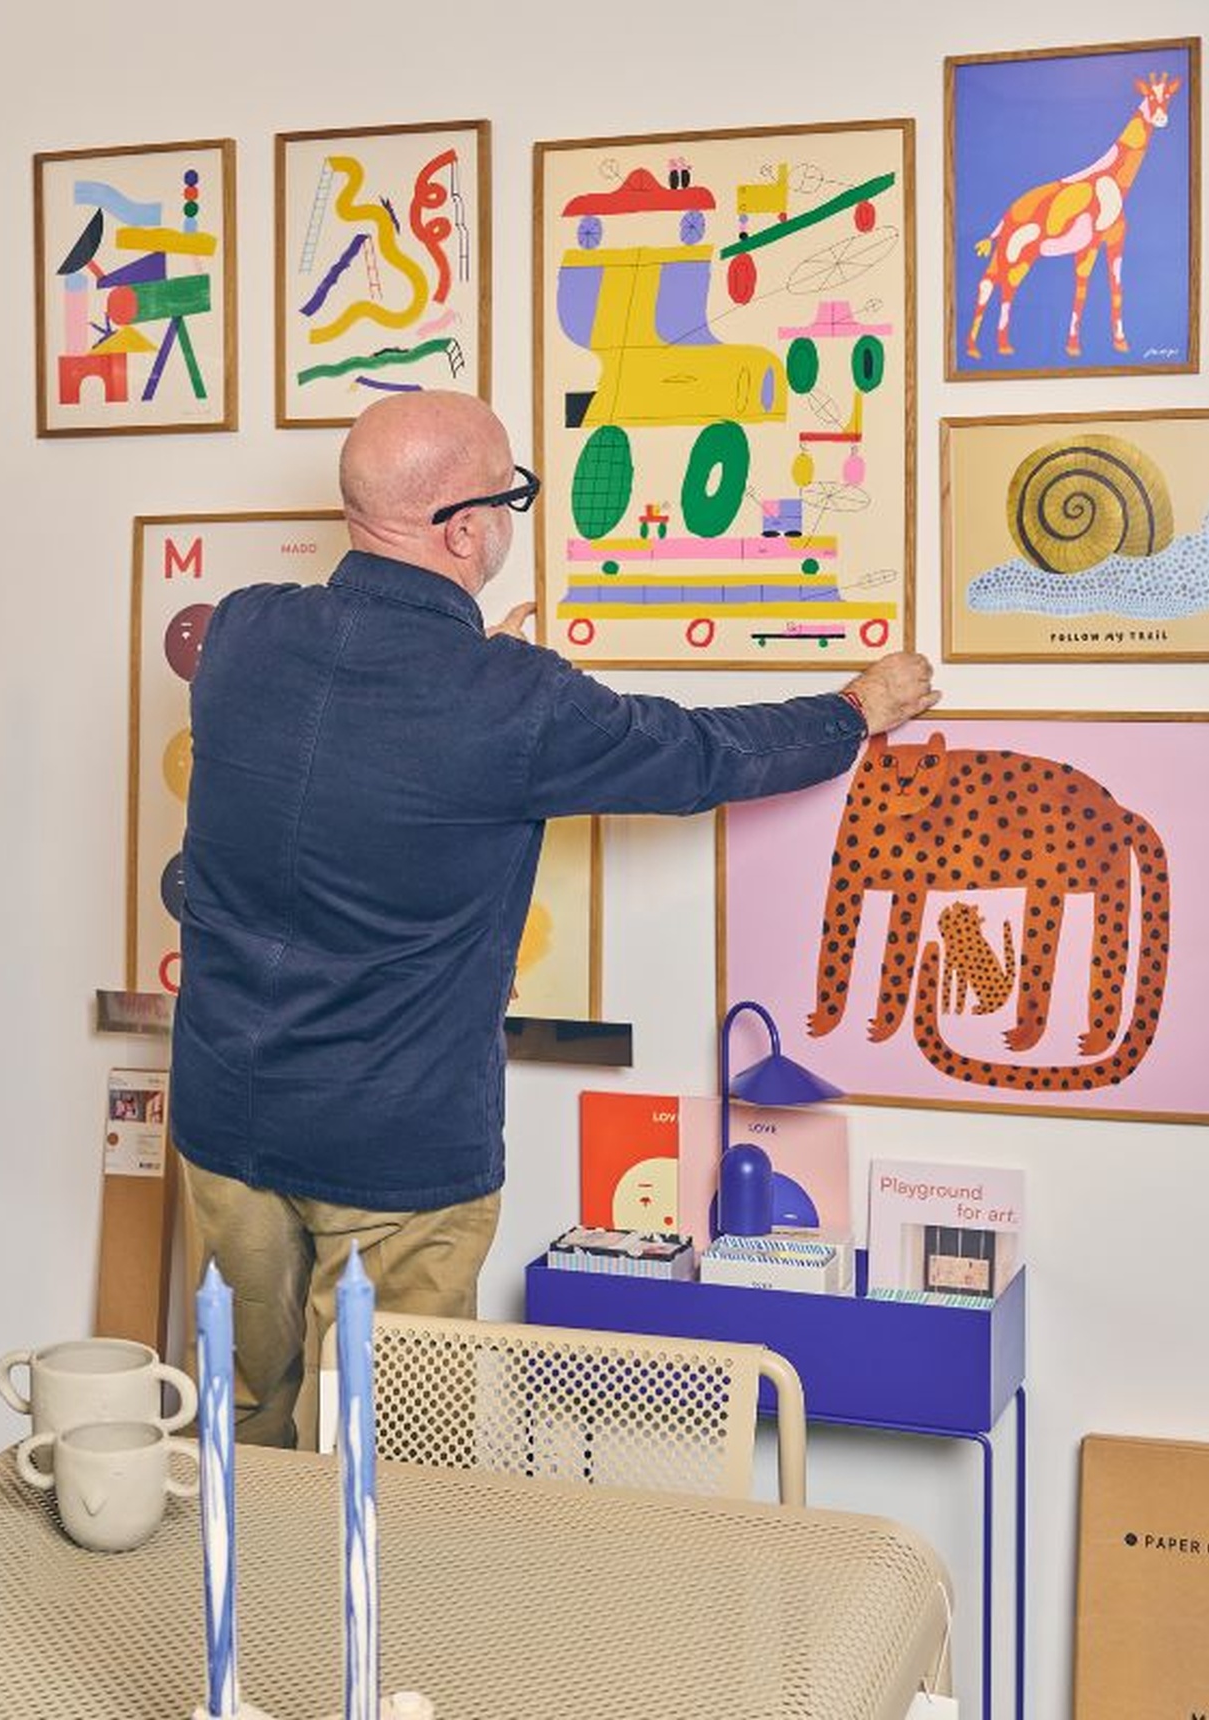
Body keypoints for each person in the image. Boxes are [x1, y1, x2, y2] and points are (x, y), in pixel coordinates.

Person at [171, 392, 938, 1446]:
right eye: (513, 496)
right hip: (395, 1155)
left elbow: (352, 742)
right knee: (388, 1464)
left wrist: (471, 671)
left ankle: (233, 1565)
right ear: (464, 529)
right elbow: (698, 756)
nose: (512, 518)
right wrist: (854, 710)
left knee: (235, 1432)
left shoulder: (242, 633)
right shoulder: (509, 701)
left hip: (226, 1119)